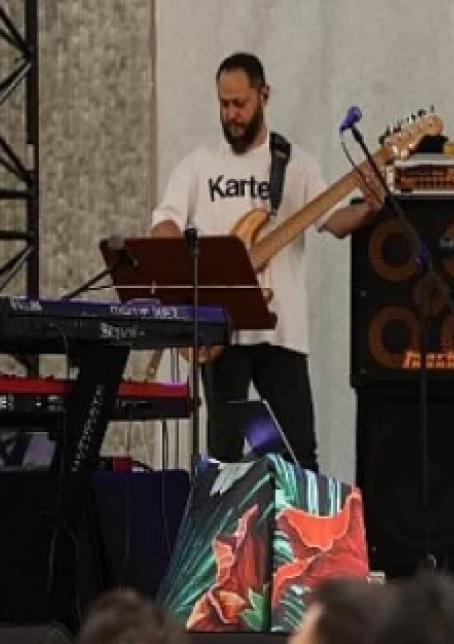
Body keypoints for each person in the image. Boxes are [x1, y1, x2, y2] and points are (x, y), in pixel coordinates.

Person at [151, 52, 382, 472]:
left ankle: (294, 517)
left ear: (264, 95)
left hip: (281, 330)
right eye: (224, 104)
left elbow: (335, 222)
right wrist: (190, 279)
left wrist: (368, 208)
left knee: (298, 452)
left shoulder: (297, 166)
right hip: (221, 328)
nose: (231, 115)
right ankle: (224, 517)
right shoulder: (199, 164)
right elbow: (164, 224)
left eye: (240, 103)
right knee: (223, 453)